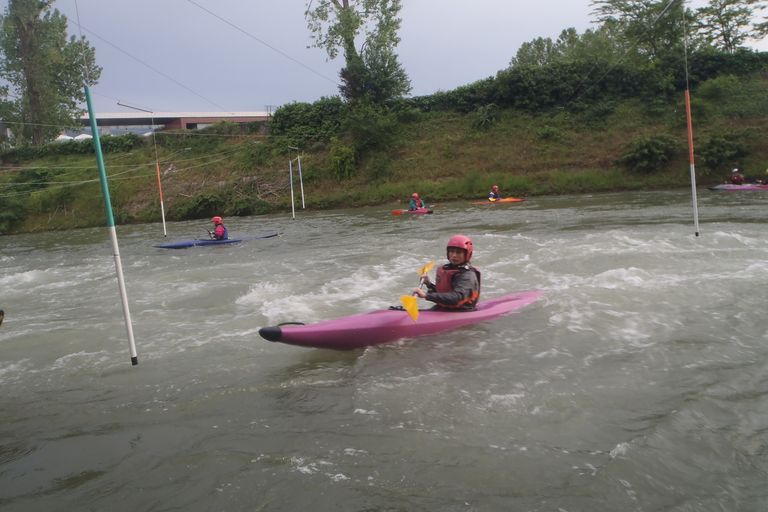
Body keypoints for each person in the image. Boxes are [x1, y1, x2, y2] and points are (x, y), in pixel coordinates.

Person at [413, 234, 481, 311]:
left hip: (461, 311)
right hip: (445, 308)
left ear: (467, 254)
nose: (454, 255)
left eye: (458, 252)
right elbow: (444, 294)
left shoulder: (467, 276)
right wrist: (429, 284)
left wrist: (426, 295)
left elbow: (456, 298)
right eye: (451, 251)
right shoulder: (449, 269)